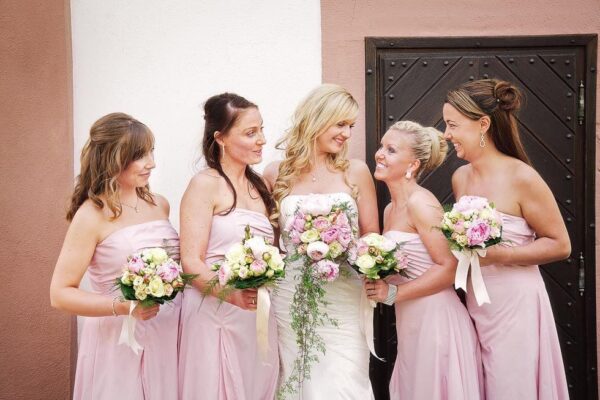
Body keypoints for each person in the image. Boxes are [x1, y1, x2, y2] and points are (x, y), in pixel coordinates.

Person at [442, 78, 570, 399]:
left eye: (453, 125)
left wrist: (502, 255)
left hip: (515, 304)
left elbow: (560, 244)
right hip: (476, 302)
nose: (446, 134)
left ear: (483, 124)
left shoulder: (522, 177)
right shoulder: (461, 178)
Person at [50, 113, 179, 400]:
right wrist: (123, 307)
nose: (151, 163)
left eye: (151, 152)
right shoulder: (91, 215)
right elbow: (59, 294)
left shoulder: (159, 204)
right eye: (139, 155)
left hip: (165, 336)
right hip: (118, 340)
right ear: (112, 158)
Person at [264, 83, 379, 399]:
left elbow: (371, 235)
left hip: (344, 293)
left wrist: (345, 249)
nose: (347, 134)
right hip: (292, 293)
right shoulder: (275, 173)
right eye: (340, 124)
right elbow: (271, 243)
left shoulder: (356, 171)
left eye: (351, 126)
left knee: (345, 376)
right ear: (317, 118)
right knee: (299, 375)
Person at [365, 120, 483, 400]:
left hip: (437, 322)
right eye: (381, 146)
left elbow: (450, 267)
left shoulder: (421, 203)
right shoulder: (390, 210)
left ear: (413, 164)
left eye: (391, 150)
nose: (380, 154)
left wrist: (392, 293)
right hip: (410, 324)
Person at [178, 93, 279, 400]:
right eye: (250, 133)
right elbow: (191, 262)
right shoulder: (205, 185)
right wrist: (231, 295)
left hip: (256, 315)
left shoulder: (262, 186)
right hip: (215, 312)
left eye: (261, 130)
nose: (261, 140)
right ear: (220, 138)